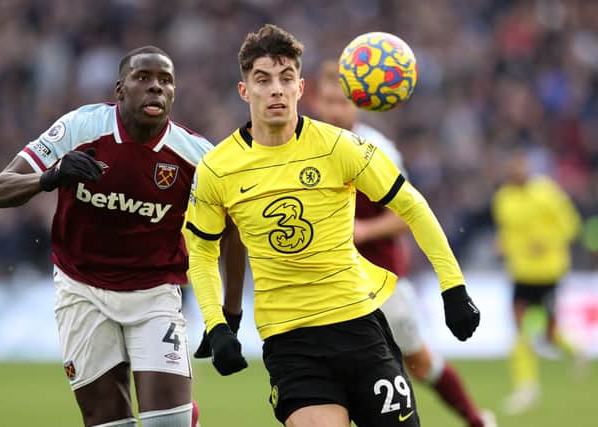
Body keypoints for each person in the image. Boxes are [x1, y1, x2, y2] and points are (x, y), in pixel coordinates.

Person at [185, 24, 480, 427]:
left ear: (300, 88)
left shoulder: (340, 147)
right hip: (291, 342)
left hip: (359, 326)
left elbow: (412, 205)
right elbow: (202, 250)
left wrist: (454, 287)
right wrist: (218, 324)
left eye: (286, 79)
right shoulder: (217, 168)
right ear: (244, 91)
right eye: (263, 79)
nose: (276, 89)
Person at [0, 45, 244, 427]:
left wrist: (231, 314)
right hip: (81, 291)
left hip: (154, 293)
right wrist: (51, 176)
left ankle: (184, 416)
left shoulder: (197, 157)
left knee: (166, 424)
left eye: (166, 81)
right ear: (119, 89)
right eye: (144, 78)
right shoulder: (80, 128)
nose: (156, 88)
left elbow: (234, 229)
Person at [312, 59, 496, 427]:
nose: (334, 110)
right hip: (328, 280)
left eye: (341, 102)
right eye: (328, 101)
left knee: (419, 363)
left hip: (382, 279)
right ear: (316, 101)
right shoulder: (305, 146)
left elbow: (404, 215)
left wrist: (363, 232)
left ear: (357, 103)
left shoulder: (377, 149)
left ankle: (476, 420)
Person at [491, 148, 582, 415]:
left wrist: (548, 241)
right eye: (512, 168)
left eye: (520, 167)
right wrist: (502, 244)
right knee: (519, 328)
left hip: (548, 271)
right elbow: (508, 231)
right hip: (521, 272)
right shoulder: (503, 198)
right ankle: (527, 388)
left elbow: (571, 224)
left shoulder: (546, 192)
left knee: (548, 335)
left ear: (528, 168)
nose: (516, 172)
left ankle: (575, 349)